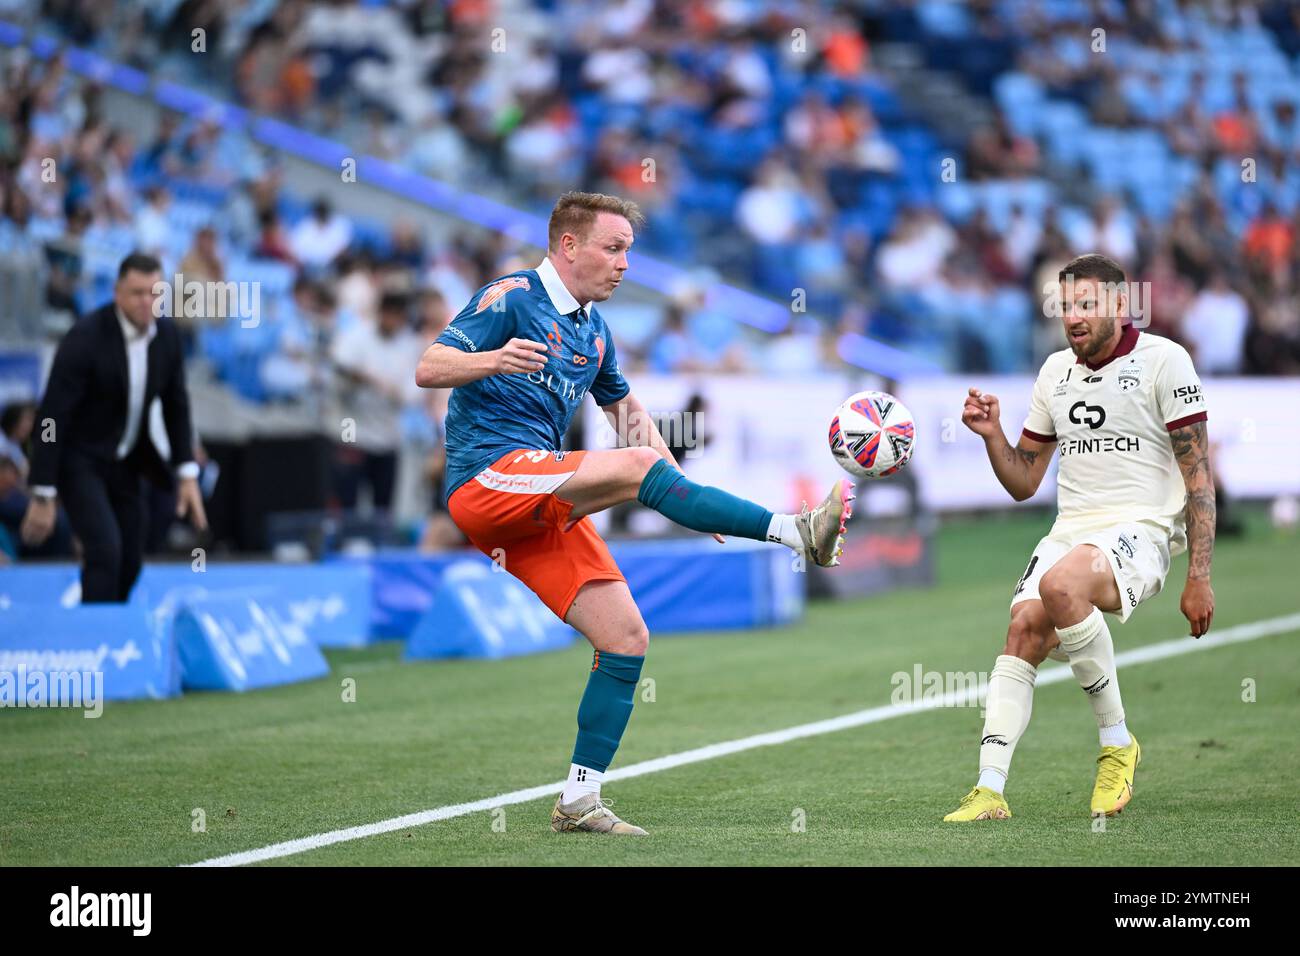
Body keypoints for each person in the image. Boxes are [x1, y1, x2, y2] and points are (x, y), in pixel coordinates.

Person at [415, 191, 854, 836]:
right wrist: (493, 358)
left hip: (539, 503)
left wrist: (686, 497)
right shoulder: (510, 296)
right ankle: (794, 531)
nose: (625, 264)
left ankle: (579, 801)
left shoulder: (593, 330)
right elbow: (428, 366)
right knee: (635, 471)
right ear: (568, 245)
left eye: (629, 251)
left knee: (625, 638)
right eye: (613, 248)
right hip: (487, 479)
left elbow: (629, 418)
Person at [948, 253, 1214, 822]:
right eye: (1066, 305)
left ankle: (1117, 744)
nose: (1074, 316)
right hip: (1073, 528)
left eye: (1087, 305)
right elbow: (1024, 481)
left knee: (1061, 585)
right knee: (1022, 628)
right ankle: (990, 790)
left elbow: (1199, 478)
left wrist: (1199, 575)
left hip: (1141, 530)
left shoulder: (1165, 361)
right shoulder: (1054, 373)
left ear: (1120, 305)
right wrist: (993, 435)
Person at [20, 253, 208, 602]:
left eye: (154, 293)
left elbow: (176, 406)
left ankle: (114, 628)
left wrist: (186, 473)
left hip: (127, 460)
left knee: (131, 560)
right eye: (137, 293)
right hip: (79, 461)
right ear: (118, 291)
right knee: (105, 551)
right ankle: (95, 637)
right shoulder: (85, 338)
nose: (146, 302)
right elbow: (50, 417)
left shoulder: (166, 337)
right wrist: (43, 490)